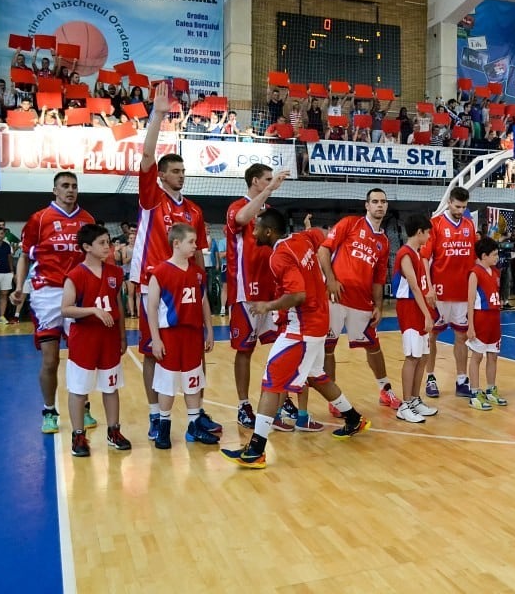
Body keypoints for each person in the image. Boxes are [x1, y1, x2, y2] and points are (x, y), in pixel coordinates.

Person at [220, 210, 370, 469]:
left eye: (256, 228)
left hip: (302, 327)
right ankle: (353, 418)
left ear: (269, 232)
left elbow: (298, 294)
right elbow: (319, 236)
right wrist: (310, 231)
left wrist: (269, 306)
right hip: (318, 320)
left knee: (271, 380)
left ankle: (256, 449)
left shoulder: (279, 256)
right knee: (315, 376)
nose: (252, 232)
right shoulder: (301, 238)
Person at [130, 82, 216, 440]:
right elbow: (147, 156)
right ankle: (155, 415)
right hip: (155, 285)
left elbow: (198, 253)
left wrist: (204, 286)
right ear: (163, 175)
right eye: (175, 171)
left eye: (183, 170)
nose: (181, 174)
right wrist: (159, 115)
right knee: (154, 353)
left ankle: (196, 415)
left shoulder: (193, 210)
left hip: (189, 287)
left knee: (196, 348)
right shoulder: (152, 197)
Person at [12, 173, 96, 434]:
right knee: (50, 360)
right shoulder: (40, 219)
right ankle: (49, 410)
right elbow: (25, 256)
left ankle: (83, 405)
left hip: (78, 292)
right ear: (55, 190)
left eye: (74, 186)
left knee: (80, 358)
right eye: (65, 186)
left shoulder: (87, 220)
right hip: (47, 293)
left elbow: (95, 260)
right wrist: (19, 286)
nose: (70, 191)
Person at [225, 163, 291, 428]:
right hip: (245, 293)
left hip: (271, 292)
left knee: (280, 347)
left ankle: (279, 398)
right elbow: (241, 219)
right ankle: (243, 405)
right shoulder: (237, 207)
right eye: (267, 179)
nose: (272, 183)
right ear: (255, 181)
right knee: (245, 350)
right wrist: (269, 191)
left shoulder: (271, 214)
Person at [318, 188, 394, 410]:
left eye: (383, 201)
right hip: (336, 297)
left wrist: (379, 306)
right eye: (375, 201)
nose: (379, 205)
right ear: (367, 205)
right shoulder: (350, 223)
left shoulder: (384, 242)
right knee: (328, 347)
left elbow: (378, 280)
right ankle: (335, 401)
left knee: (373, 346)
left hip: (362, 302)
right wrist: (330, 280)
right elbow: (323, 251)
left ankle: (385, 390)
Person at [60, 224, 131, 456]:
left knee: (111, 387)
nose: (107, 247)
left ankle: (114, 431)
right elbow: (66, 309)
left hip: (109, 339)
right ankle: (78, 436)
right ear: (86, 247)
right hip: (85, 340)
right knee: (79, 390)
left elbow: (117, 304)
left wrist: (122, 336)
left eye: (108, 242)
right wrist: (92, 310)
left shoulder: (114, 273)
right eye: (102, 243)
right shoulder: (76, 275)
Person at [147, 224, 218, 449]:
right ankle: (163, 427)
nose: (196, 246)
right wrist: (156, 339)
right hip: (170, 335)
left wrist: (210, 329)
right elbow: (151, 308)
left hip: (193, 335)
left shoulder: (198, 272)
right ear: (176, 244)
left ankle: (194, 424)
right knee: (168, 385)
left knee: (193, 382)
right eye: (191, 242)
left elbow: (204, 302)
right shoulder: (160, 272)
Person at [421, 187, 477, 398]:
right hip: (440, 292)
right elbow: (425, 258)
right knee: (432, 336)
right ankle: (431, 377)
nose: (460, 210)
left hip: (462, 293)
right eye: (457, 206)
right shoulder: (435, 224)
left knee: (461, 336)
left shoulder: (469, 225)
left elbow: (471, 259)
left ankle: (461, 379)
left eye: (464, 207)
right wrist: (429, 286)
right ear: (449, 203)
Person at [392, 214, 439, 423]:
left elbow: (420, 286)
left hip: (419, 307)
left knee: (422, 357)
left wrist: (429, 294)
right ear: (419, 232)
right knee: (412, 357)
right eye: (428, 232)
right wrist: (428, 314)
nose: (429, 236)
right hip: (409, 309)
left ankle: (414, 399)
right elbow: (413, 286)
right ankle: (405, 404)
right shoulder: (405, 254)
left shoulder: (418, 254)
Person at [466, 237, 507, 410]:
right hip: (480, 318)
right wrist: (470, 326)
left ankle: (490, 389)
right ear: (484, 256)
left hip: (494, 318)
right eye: (494, 254)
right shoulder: (475, 273)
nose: (497, 257)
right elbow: (470, 301)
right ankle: (474, 392)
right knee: (477, 357)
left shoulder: (495, 272)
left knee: (493, 356)